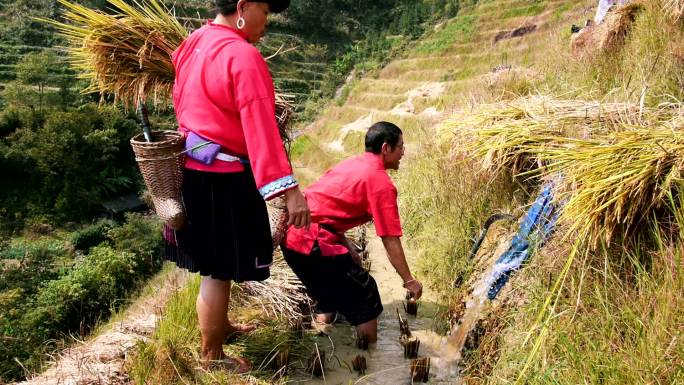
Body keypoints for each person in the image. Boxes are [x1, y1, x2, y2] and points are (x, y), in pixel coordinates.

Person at [164, 0, 310, 372]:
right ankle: (212, 358)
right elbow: (261, 130)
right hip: (224, 181)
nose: (267, 22)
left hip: (193, 172)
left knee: (216, 264)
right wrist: (289, 190)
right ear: (243, 6)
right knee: (219, 270)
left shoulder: (192, 42)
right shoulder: (243, 56)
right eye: (266, 11)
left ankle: (222, 327)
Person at [281, 121, 423, 343]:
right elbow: (389, 239)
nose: (403, 152)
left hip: (292, 240)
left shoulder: (352, 164)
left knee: (329, 292)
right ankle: (367, 352)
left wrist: (346, 245)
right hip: (313, 242)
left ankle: (321, 341)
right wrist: (409, 280)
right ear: (386, 148)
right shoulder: (380, 183)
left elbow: (326, 207)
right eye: (401, 146)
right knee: (365, 293)